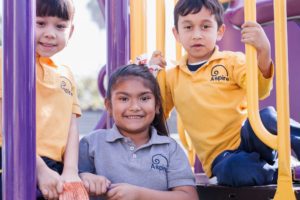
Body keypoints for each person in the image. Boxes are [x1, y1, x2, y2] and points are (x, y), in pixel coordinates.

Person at [147, 0, 300, 186]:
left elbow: (260, 90)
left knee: (267, 116)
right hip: (221, 158)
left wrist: (264, 52)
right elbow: (156, 113)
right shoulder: (171, 76)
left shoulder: (231, 61)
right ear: (176, 34)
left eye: (205, 26)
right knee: (235, 170)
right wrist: (152, 73)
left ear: (219, 31)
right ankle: (278, 173)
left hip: (250, 137)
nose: (197, 35)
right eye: (188, 27)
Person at [0, 0, 87, 199]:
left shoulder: (66, 73)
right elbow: (4, 119)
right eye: (40, 23)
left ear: (71, 31)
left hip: (54, 166)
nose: (50, 33)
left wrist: (71, 171)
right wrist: (37, 167)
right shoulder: (7, 59)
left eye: (60, 26)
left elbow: (71, 126)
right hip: (12, 158)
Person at [78, 64, 199, 200]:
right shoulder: (92, 143)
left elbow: (189, 197)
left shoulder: (170, 148)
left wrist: (139, 195)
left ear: (157, 105)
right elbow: (68, 182)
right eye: (124, 99)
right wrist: (84, 177)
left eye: (144, 98)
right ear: (109, 106)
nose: (135, 107)